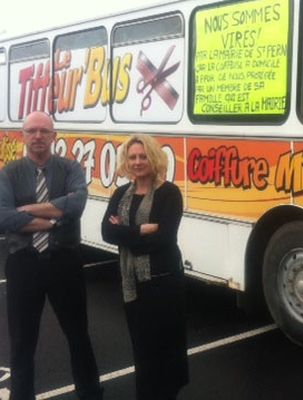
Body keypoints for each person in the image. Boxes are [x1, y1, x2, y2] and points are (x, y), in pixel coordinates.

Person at [0, 111, 103, 400]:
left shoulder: (70, 168)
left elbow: (76, 205)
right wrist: (52, 219)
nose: (37, 137)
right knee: (21, 342)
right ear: (23, 135)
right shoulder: (9, 173)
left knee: (78, 335)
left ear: (54, 136)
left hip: (64, 262)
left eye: (44, 131)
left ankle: (91, 394)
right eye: (31, 131)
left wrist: (26, 209)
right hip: (23, 263)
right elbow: (2, 217)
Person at [101, 135, 188, 400]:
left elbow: (164, 239)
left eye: (143, 156)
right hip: (133, 286)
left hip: (163, 283)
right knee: (142, 350)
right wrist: (141, 230)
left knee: (167, 349)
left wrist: (125, 233)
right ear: (126, 162)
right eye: (132, 157)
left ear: (153, 158)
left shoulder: (168, 193)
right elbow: (106, 232)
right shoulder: (121, 193)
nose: (138, 162)